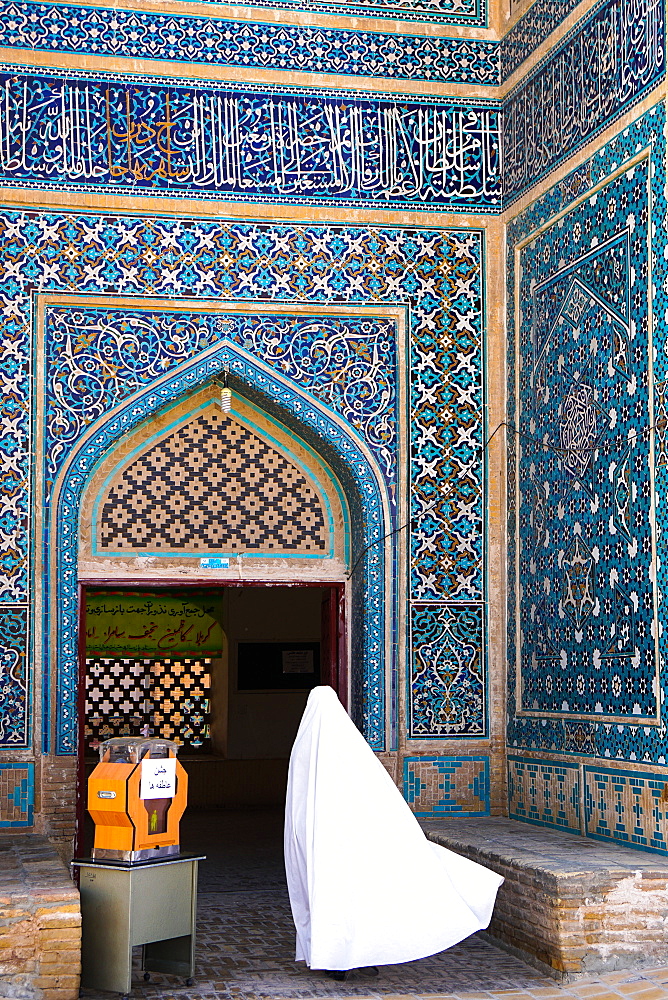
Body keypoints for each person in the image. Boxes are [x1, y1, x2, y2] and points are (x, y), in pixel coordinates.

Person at [284, 685, 504, 976]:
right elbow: (377, 795)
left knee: (329, 895)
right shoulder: (352, 748)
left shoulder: (305, 749)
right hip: (349, 840)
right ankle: (357, 955)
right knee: (359, 895)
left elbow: (298, 804)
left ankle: (338, 957)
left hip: (322, 843)